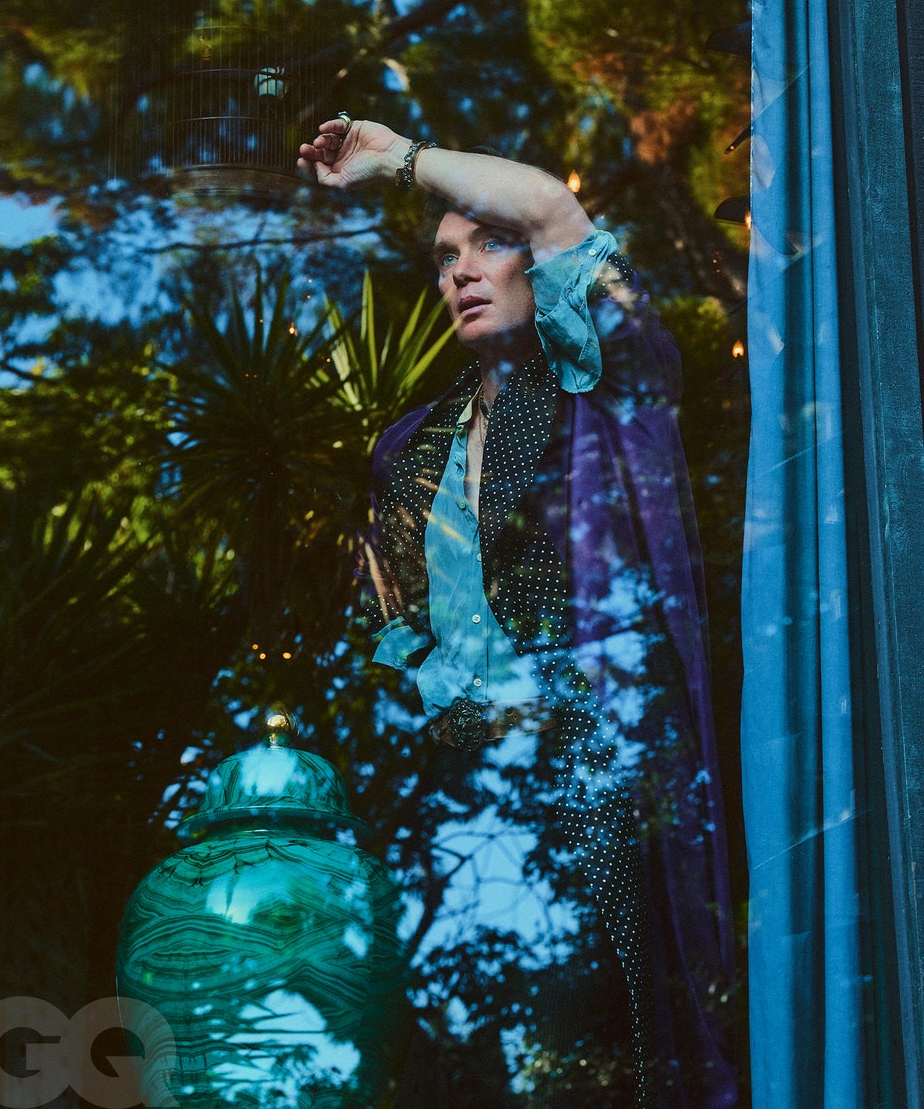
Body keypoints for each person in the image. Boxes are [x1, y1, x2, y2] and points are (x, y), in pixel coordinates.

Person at [298, 118, 738, 1109]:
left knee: (621, 1055)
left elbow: (550, 208)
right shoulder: (412, 448)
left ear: (539, 267)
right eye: (443, 256)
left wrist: (397, 160)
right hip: (466, 819)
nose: (459, 270)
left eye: (487, 244)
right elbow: (397, 634)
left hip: (612, 792)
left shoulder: (609, 382)